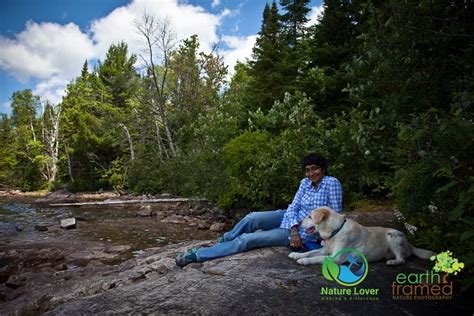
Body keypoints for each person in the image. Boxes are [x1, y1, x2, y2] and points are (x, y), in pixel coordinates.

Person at [175, 152, 343, 267]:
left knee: (247, 240)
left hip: (305, 230)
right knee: (251, 218)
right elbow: (293, 206)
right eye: (307, 170)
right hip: (289, 219)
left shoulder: (331, 183)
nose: (311, 173)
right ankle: (225, 239)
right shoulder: (304, 183)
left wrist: (299, 234)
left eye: (315, 168)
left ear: (323, 168)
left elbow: (332, 219)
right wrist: (292, 227)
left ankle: (199, 255)